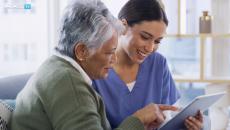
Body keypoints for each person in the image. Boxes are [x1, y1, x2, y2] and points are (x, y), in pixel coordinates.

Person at [10, 0, 178, 130]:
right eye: (109, 52)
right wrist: (138, 120)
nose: (114, 60)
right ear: (82, 51)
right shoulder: (69, 84)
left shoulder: (56, 67)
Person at [92, 0, 205, 129]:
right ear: (123, 26)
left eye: (157, 41)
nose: (150, 48)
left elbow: (165, 122)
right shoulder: (95, 67)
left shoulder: (158, 64)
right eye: (145, 37)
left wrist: (188, 126)